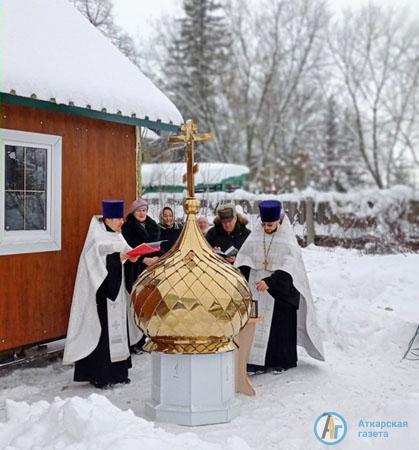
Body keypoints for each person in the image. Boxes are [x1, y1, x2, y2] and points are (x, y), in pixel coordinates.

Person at [235, 200, 324, 374]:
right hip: (257, 289)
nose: (267, 227)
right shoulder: (256, 235)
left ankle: (280, 362)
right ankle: (255, 363)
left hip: (279, 292)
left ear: (279, 221)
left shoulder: (287, 240)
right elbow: (244, 258)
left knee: (279, 328)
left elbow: (290, 269)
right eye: (264, 224)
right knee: (256, 325)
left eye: (270, 224)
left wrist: (270, 282)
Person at [63, 200, 142, 388]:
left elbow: (125, 253)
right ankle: (100, 375)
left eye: (121, 218)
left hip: (117, 291)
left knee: (118, 329)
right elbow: (93, 265)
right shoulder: (96, 238)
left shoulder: (118, 236)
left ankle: (118, 372)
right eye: (117, 219)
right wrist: (117, 258)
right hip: (101, 293)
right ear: (107, 219)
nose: (121, 222)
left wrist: (132, 256)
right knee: (103, 332)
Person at [122, 198, 161, 353]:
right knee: (134, 306)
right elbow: (128, 248)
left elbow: (157, 246)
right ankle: (133, 342)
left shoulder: (153, 226)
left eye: (144, 210)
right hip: (134, 269)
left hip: (151, 271)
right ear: (133, 212)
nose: (142, 213)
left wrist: (159, 257)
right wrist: (144, 259)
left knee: (147, 306)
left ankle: (144, 338)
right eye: (138, 210)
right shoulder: (127, 228)